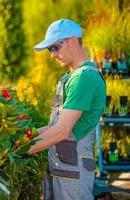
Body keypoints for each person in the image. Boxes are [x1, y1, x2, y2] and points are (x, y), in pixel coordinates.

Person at [28, 19, 106, 200]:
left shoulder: (84, 79)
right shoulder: (71, 77)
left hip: (72, 173)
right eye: (50, 50)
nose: (52, 55)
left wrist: (17, 151)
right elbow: (55, 126)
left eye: (55, 47)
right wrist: (23, 137)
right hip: (62, 168)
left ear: (72, 40)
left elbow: (62, 131)